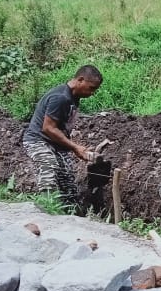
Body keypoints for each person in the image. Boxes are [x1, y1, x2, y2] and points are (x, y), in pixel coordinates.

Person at [22, 65, 102, 212]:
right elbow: (48, 128)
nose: (92, 93)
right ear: (80, 80)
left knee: (68, 183)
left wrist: (74, 148)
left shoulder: (73, 98)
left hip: (56, 144)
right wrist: (75, 147)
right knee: (49, 168)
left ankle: (71, 215)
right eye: (91, 88)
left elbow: (62, 127)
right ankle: (48, 211)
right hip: (38, 140)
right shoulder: (61, 97)